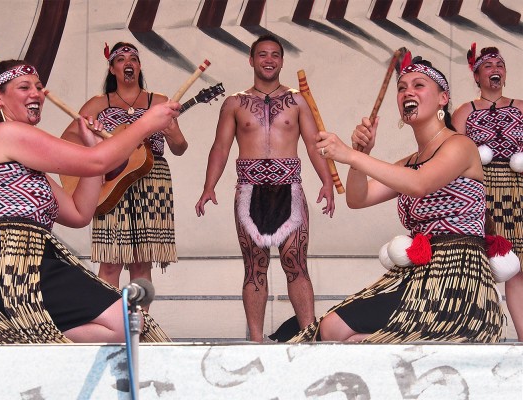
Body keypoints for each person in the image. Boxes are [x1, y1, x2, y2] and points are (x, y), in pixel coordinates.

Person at [0, 59, 179, 344]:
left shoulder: (22, 162)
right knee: (128, 323)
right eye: (24, 87)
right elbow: (98, 162)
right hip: (8, 264)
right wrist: (147, 123)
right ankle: (29, 335)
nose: (36, 93)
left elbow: (78, 213)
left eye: (38, 87)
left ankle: (30, 337)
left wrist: (92, 145)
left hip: (24, 263)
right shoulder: (5, 133)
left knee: (129, 327)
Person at [309, 55, 504, 343]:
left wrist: (349, 155)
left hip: (457, 278)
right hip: (419, 274)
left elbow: (419, 184)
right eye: (401, 88)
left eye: (418, 85)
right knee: (332, 329)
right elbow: (358, 198)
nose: (407, 92)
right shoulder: (409, 162)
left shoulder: (460, 146)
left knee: (349, 338)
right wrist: (359, 156)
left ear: (442, 98)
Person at [195, 34, 336, 342]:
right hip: (250, 190)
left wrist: (326, 181)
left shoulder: (297, 100)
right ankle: (256, 341)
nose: (269, 60)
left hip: (290, 189)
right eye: (262, 55)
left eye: (275, 55)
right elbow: (220, 147)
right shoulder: (234, 103)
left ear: (282, 61)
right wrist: (209, 187)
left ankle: (310, 337)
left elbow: (314, 145)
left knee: (295, 263)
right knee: (254, 267)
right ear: (251, 60)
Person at [61, 42, 187, 298]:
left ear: (140, 67)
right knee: (110, 261)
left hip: (152, 180)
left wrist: (173, 134)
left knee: (142, 262)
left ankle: (140, 328)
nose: (128, 63)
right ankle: (109, 325)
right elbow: (68, 141)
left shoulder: (159, 102)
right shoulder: (97, 104)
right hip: (112, 184)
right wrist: (94, 142)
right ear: (112, 68)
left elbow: (180, 148)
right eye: (121, 59)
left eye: (133, 59)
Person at [452, 45, 523, 341]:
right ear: (477, 74)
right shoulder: (464, 111)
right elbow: (450, 153)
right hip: (479, 193)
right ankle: (483, 335)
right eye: (488, 64)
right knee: (483, 264)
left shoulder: (521, 106)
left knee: (518, 266)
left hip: (518, 191)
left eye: (500, 64)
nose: (496, 68)